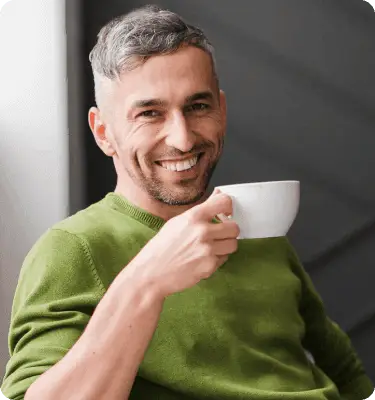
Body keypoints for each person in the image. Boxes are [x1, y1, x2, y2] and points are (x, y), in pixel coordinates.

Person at [0, 4, 373, 400]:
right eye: (149, 113)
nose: (182, 138)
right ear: (104, 132)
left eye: (198, 106)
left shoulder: (262, 229)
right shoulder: (73, 249)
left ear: (222, 110)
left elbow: (348, 375)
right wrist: (148, 281)